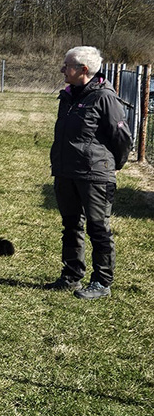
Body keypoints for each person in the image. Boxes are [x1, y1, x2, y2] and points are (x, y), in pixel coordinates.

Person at [45, 46, 132, 299]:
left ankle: (102, 282)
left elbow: (122, 138)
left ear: (83, 69)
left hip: (95, 175)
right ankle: (71, 276)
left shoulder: (104, 98)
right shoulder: (68, 96)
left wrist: (111, 166)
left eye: (67, 65)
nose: (62, 69)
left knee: (98, 229)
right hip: (66, 172)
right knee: (71, 226)